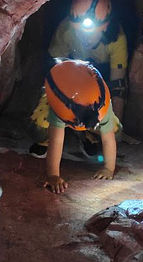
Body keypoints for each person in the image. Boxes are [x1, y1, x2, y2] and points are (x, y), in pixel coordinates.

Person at [29, 0, 128, 158]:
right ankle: (51, 138)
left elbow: (118, 85)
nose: (85, 38)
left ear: (105, 26)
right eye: (80, 32)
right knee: (40, 130)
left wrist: (111, 135)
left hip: (95, 94)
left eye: (91, 32)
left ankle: (87, 134)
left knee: (113, 131)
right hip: (67, 86)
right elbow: (52, 75)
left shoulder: (117, 38)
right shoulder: (66, 29)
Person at [41, 59, 119, 194]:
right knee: (40, 130)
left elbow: (108, 138)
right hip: (64, 94)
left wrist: (109, 168)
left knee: (116, 130)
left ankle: (86, 136)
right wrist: (53, 175)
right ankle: (79, 134)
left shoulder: (103, 105)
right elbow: (56, 140)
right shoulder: (60, 104)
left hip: (85, 106)